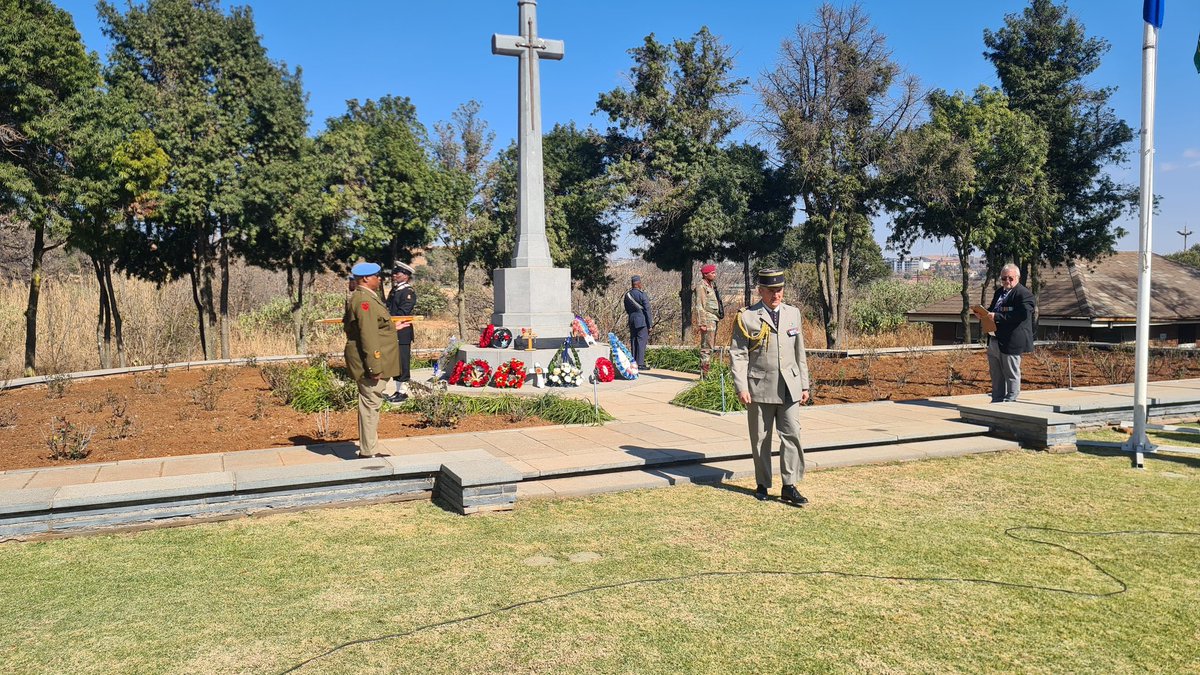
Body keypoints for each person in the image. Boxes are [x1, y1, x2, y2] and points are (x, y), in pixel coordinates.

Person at [730, 269, 810, 506]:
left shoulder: (793, 313)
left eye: (779, 290)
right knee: (760, 439)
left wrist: (804, 384)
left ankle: (789, 485)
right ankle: (763, 483)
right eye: (771, 291)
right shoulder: (747, 317)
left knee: (792, 435)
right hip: (760, 386)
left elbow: (800, 352)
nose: (776, 295)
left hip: (789, 386)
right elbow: (738, 354)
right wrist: (741, 386)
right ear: (760, 291)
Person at [344, 262, 404, 458]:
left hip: (372, 361)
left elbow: (375, 327)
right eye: (376, 276)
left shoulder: (367, 297)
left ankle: (369, 448)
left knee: (371, 404)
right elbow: (368, 336)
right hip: (370, 364)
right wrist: (374, 367)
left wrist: (393, 327)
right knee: (371, 405)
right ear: (365, 279)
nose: (379, 279)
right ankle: (368, 452)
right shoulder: (365, 301)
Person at [987, 263, 1035, 403]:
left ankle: (1011, 401)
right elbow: (993, 309)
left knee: (1011, 373)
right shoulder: (999, 292)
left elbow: (1022, 315)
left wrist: (996, 317)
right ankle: (996, 401)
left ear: (1017, 278)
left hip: (1011, 340)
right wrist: (984, 314)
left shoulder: (1024, 294)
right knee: (996, 374)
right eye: (1003, 278)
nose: (1006, 281)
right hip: (994, 339)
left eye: (1010, 278)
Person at [386, 262, 418, 403]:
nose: (394, 275)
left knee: (403, 362)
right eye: (394, 273)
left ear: (406, 276)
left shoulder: (408, 292)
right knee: (396, 362)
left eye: (397, 273)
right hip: (393, 329)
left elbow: (403, 312)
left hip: (402, 331)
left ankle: (403, 392)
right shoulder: (395, 290)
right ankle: (398, 390)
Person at [693, 263, 724, 378]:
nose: (714, 275)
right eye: (712, 273)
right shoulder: (701, 286)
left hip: (713, 319)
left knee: (710, 348)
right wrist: (702, 323)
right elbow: (699, 306)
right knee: (706, 348)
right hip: (707, 320)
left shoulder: (711, 286)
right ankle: (704, 376)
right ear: (705, 274)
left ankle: (707, 373)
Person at [623, 274, 652, 370]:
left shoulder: (627, 295)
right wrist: (650, 324)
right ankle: (640, 364)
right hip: (642, 321)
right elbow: (647, 310)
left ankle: (634, 362)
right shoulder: (642, 294)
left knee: (633, 341)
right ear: (638, 284)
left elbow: (627, 309)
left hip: (632, 320)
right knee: (641, 341)